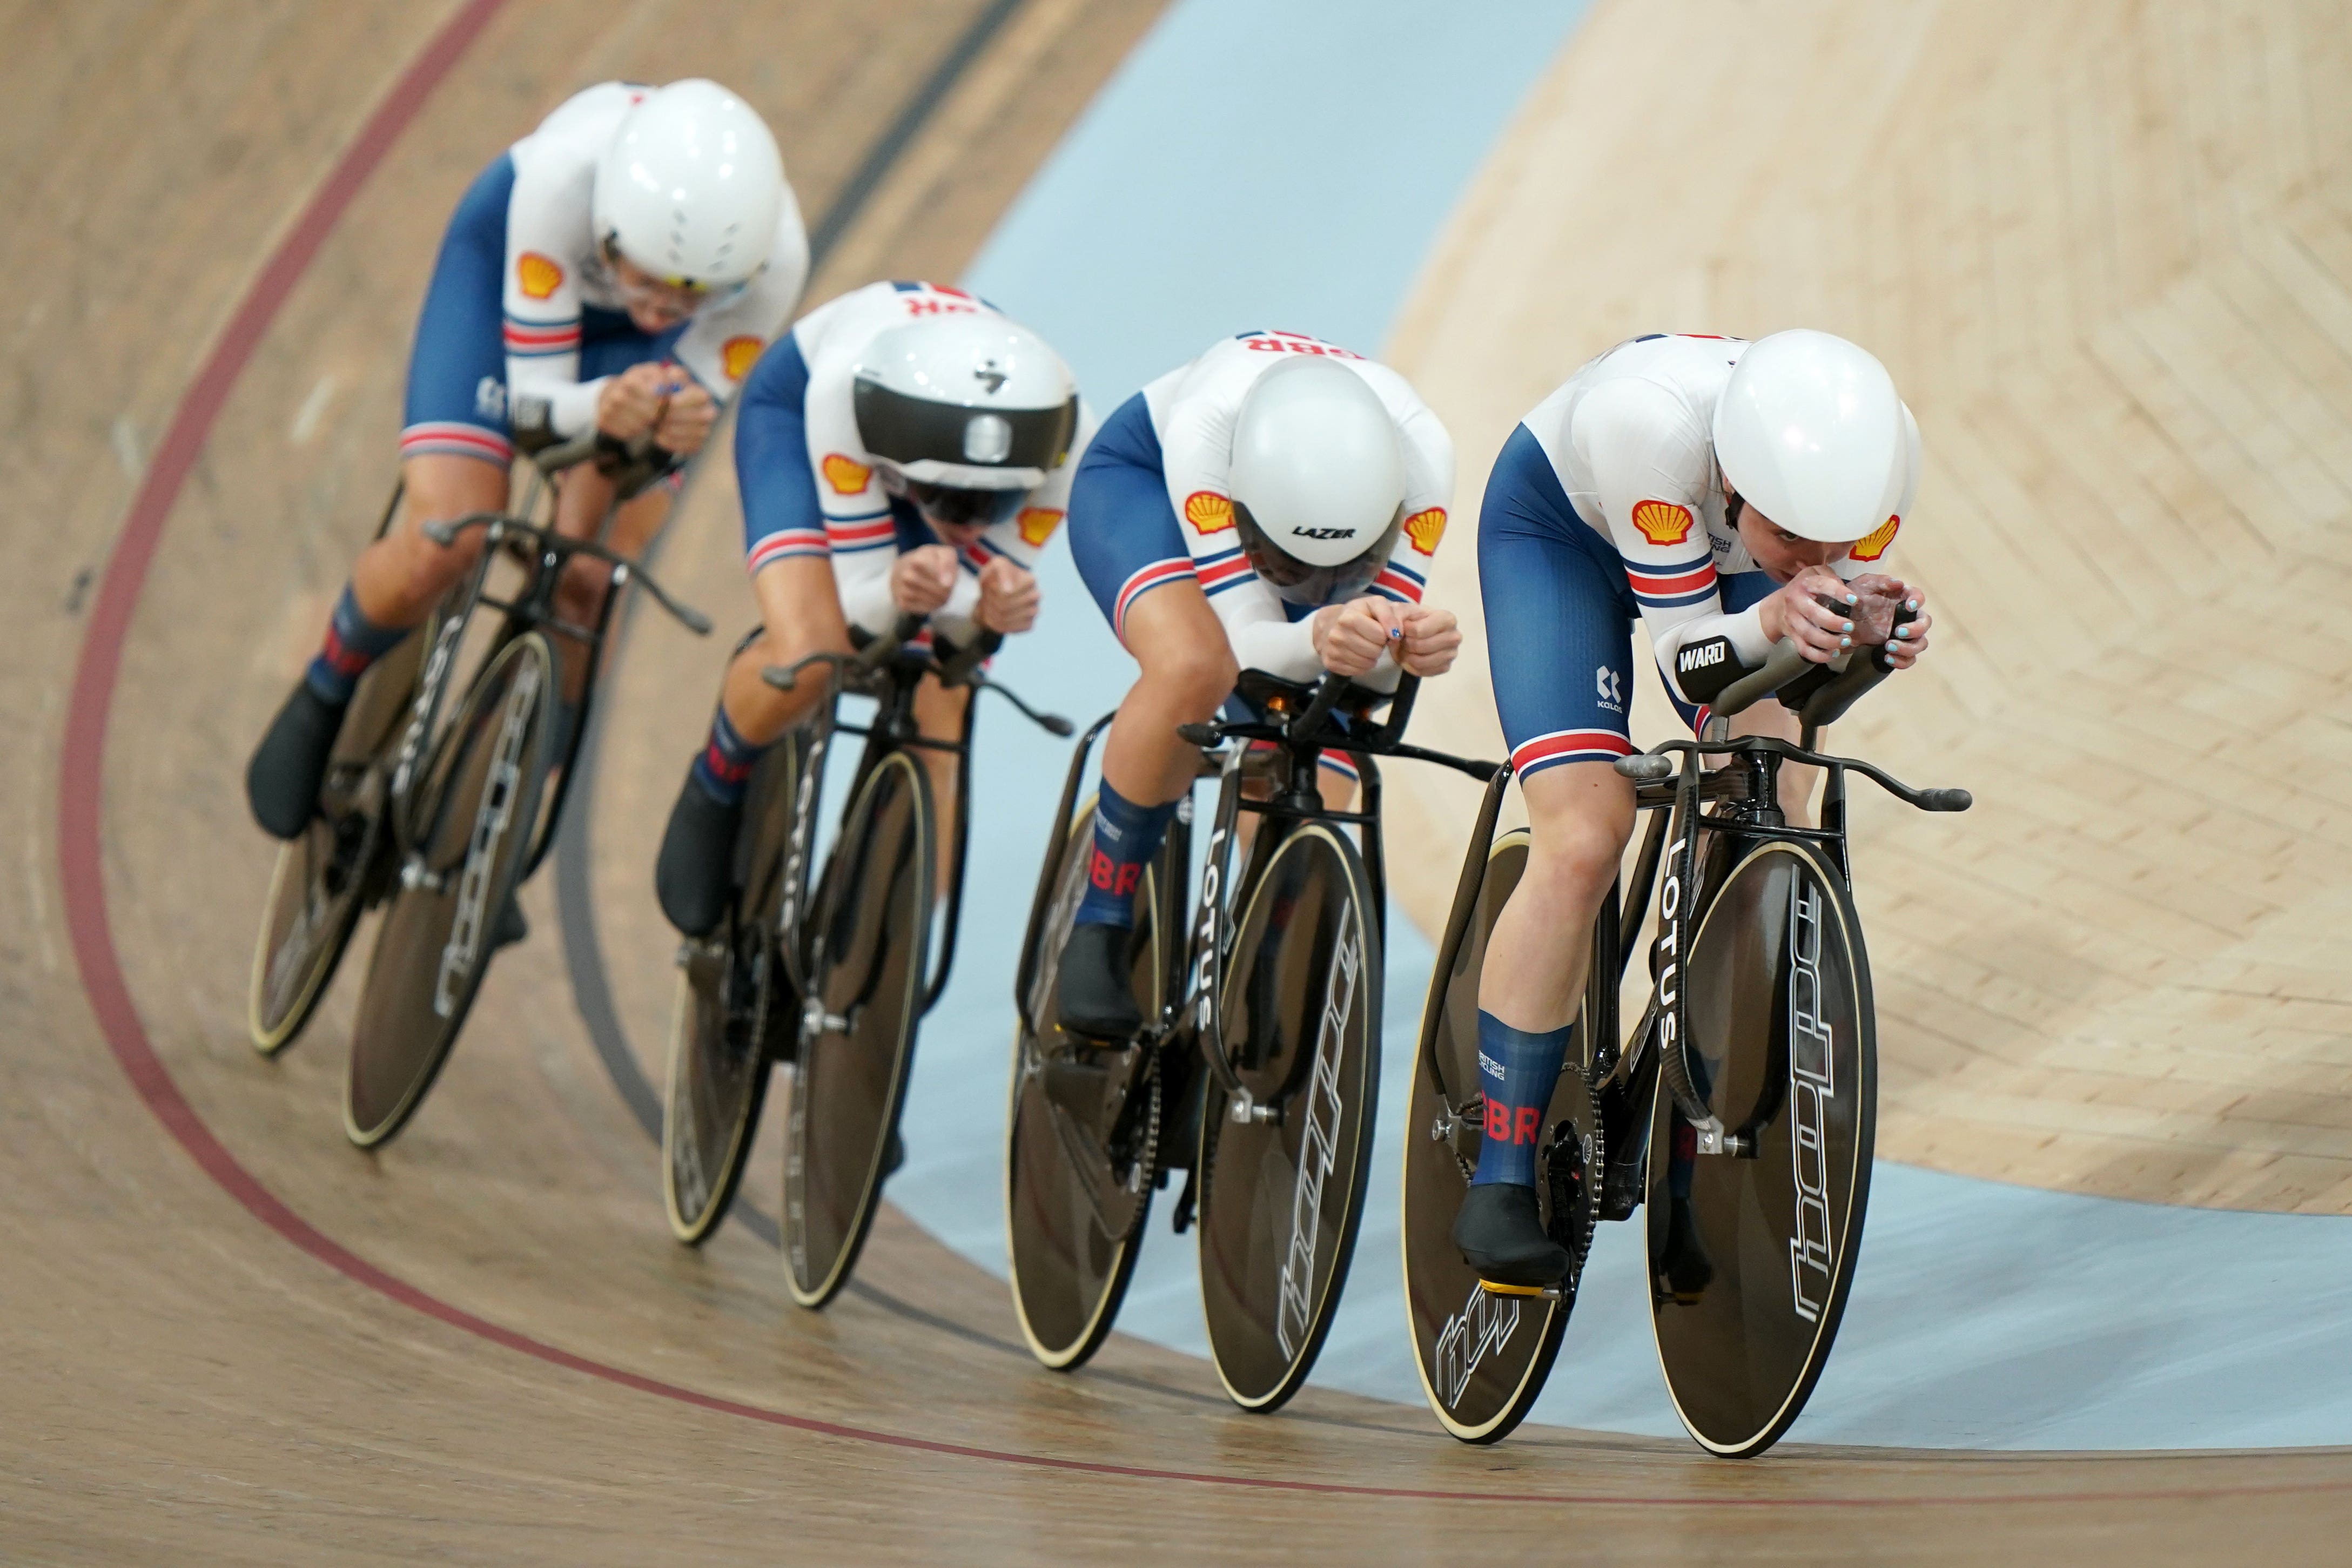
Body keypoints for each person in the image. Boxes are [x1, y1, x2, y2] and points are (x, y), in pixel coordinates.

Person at [1456, 329, 1934, 1289]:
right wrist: (1770, 617)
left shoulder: (1874, 459)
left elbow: (1785, 670)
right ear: (1733, 484)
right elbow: (1686, 667)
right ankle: (1499, 1168)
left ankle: (1706, 1077)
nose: (1824, 556)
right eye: (1796, 538)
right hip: (1561, 538)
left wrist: (1872, 641)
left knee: (1777, 777)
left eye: (1842, 539)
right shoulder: (1648, 429)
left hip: (1713, 557)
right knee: (1586, 832)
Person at [245, 78, 809, 847]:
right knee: (448, 538)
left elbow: (682, 409)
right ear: (610, 228)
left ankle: (502, 825)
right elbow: (533, 405)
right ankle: (326, 685)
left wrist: (666, 418)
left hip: (634, 365)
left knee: (592, 573)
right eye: (641, 275)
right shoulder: (559, 178)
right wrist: (605, 405)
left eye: (692, 296)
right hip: (507, 292)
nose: (659, 307)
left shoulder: (775, 261)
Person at [1053, 330, 1463, 1039]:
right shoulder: (1205, 430)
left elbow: (1371, 665)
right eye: (1290, 568)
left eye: (1349, 564)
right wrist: (1319, 630)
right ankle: (1102, 916)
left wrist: (1403, 642)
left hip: (1290, 526)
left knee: (1324, 748)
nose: (1314, 589)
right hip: (1147, 484)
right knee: (1194, 664)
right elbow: (1245, 647)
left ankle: (1251, 954)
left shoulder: (1424, 462)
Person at [653, 281, 1086, 938]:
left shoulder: (1063, 433)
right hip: (805, 429)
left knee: (944, 707)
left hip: (920, 447)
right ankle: (719, 776)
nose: (969, 523)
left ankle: (888, 949)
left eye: (992, 505)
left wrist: (997, 605)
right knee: (814, 653)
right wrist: (899, 587)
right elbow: (862, 607)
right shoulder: (840, 395)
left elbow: (964, 630)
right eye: (946, 499)